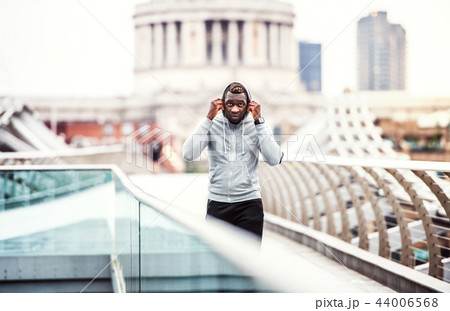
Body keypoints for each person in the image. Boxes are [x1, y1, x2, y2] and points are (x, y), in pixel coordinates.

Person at [182, 82, 283, 241]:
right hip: (217, 204)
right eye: (230, 104)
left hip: (249, 205)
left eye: (240, 104)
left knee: (248, 261)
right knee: (217, 263)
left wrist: (259, 122)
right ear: (222, 105)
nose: (235, 109)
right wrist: (208, 118)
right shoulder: (211, 125)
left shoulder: (258, 126)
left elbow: (274, 159)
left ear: (248, 105)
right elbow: (188, 154)